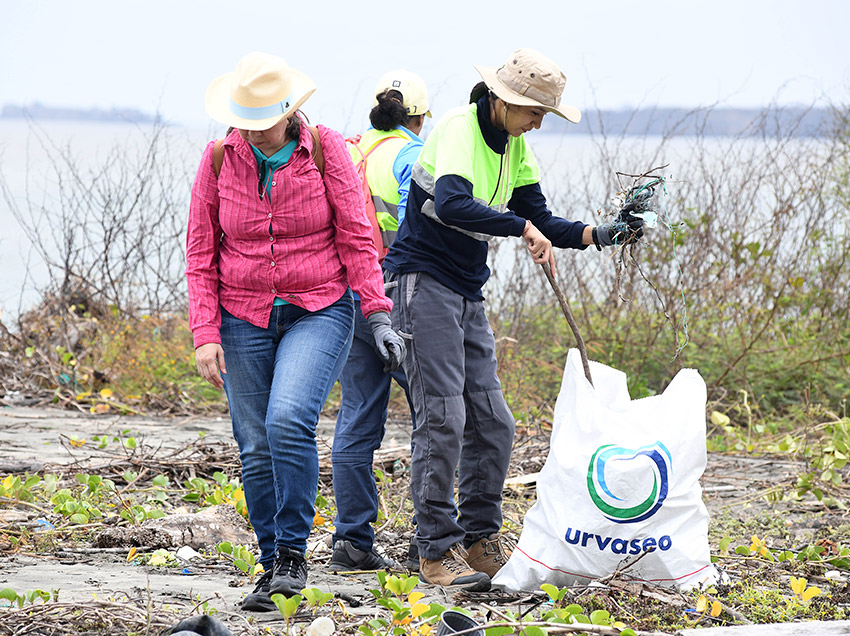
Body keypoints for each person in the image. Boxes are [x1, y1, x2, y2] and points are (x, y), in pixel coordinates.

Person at [382, 48, 644, 591]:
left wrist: (599, 234)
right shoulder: (457, 126)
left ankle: (479, 539)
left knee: (494, 420)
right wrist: (519, 228)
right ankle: (435, 549)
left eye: (545, 114)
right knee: (444, 416)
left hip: (466, 291)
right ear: (501, 101)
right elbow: (453, 204)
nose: (538, 123)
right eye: (532, 111)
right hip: (421, 280)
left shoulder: (516, 146)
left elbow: (541, 216)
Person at [185, 52, 405, 611]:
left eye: (264, 118)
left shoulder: (327, 149)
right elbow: (200, 253)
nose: (253, 130)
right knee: (255, 444)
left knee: (287, 421)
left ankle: (293, 553)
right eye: (244, 118)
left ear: (289, 112)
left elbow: (358, 236)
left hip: (319, 307)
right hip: (242, 313)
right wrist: (205, 331)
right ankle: (271, 565)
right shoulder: (217, 159)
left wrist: (377, 313)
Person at [328, 71, 431, 572]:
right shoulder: (411, 155)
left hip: (347, 294)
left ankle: (351, 541)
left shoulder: (343, 152)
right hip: (399, 292)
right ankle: (429, 542)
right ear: (417, 118)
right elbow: (425, 229)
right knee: (431, 416)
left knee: (357, 416)